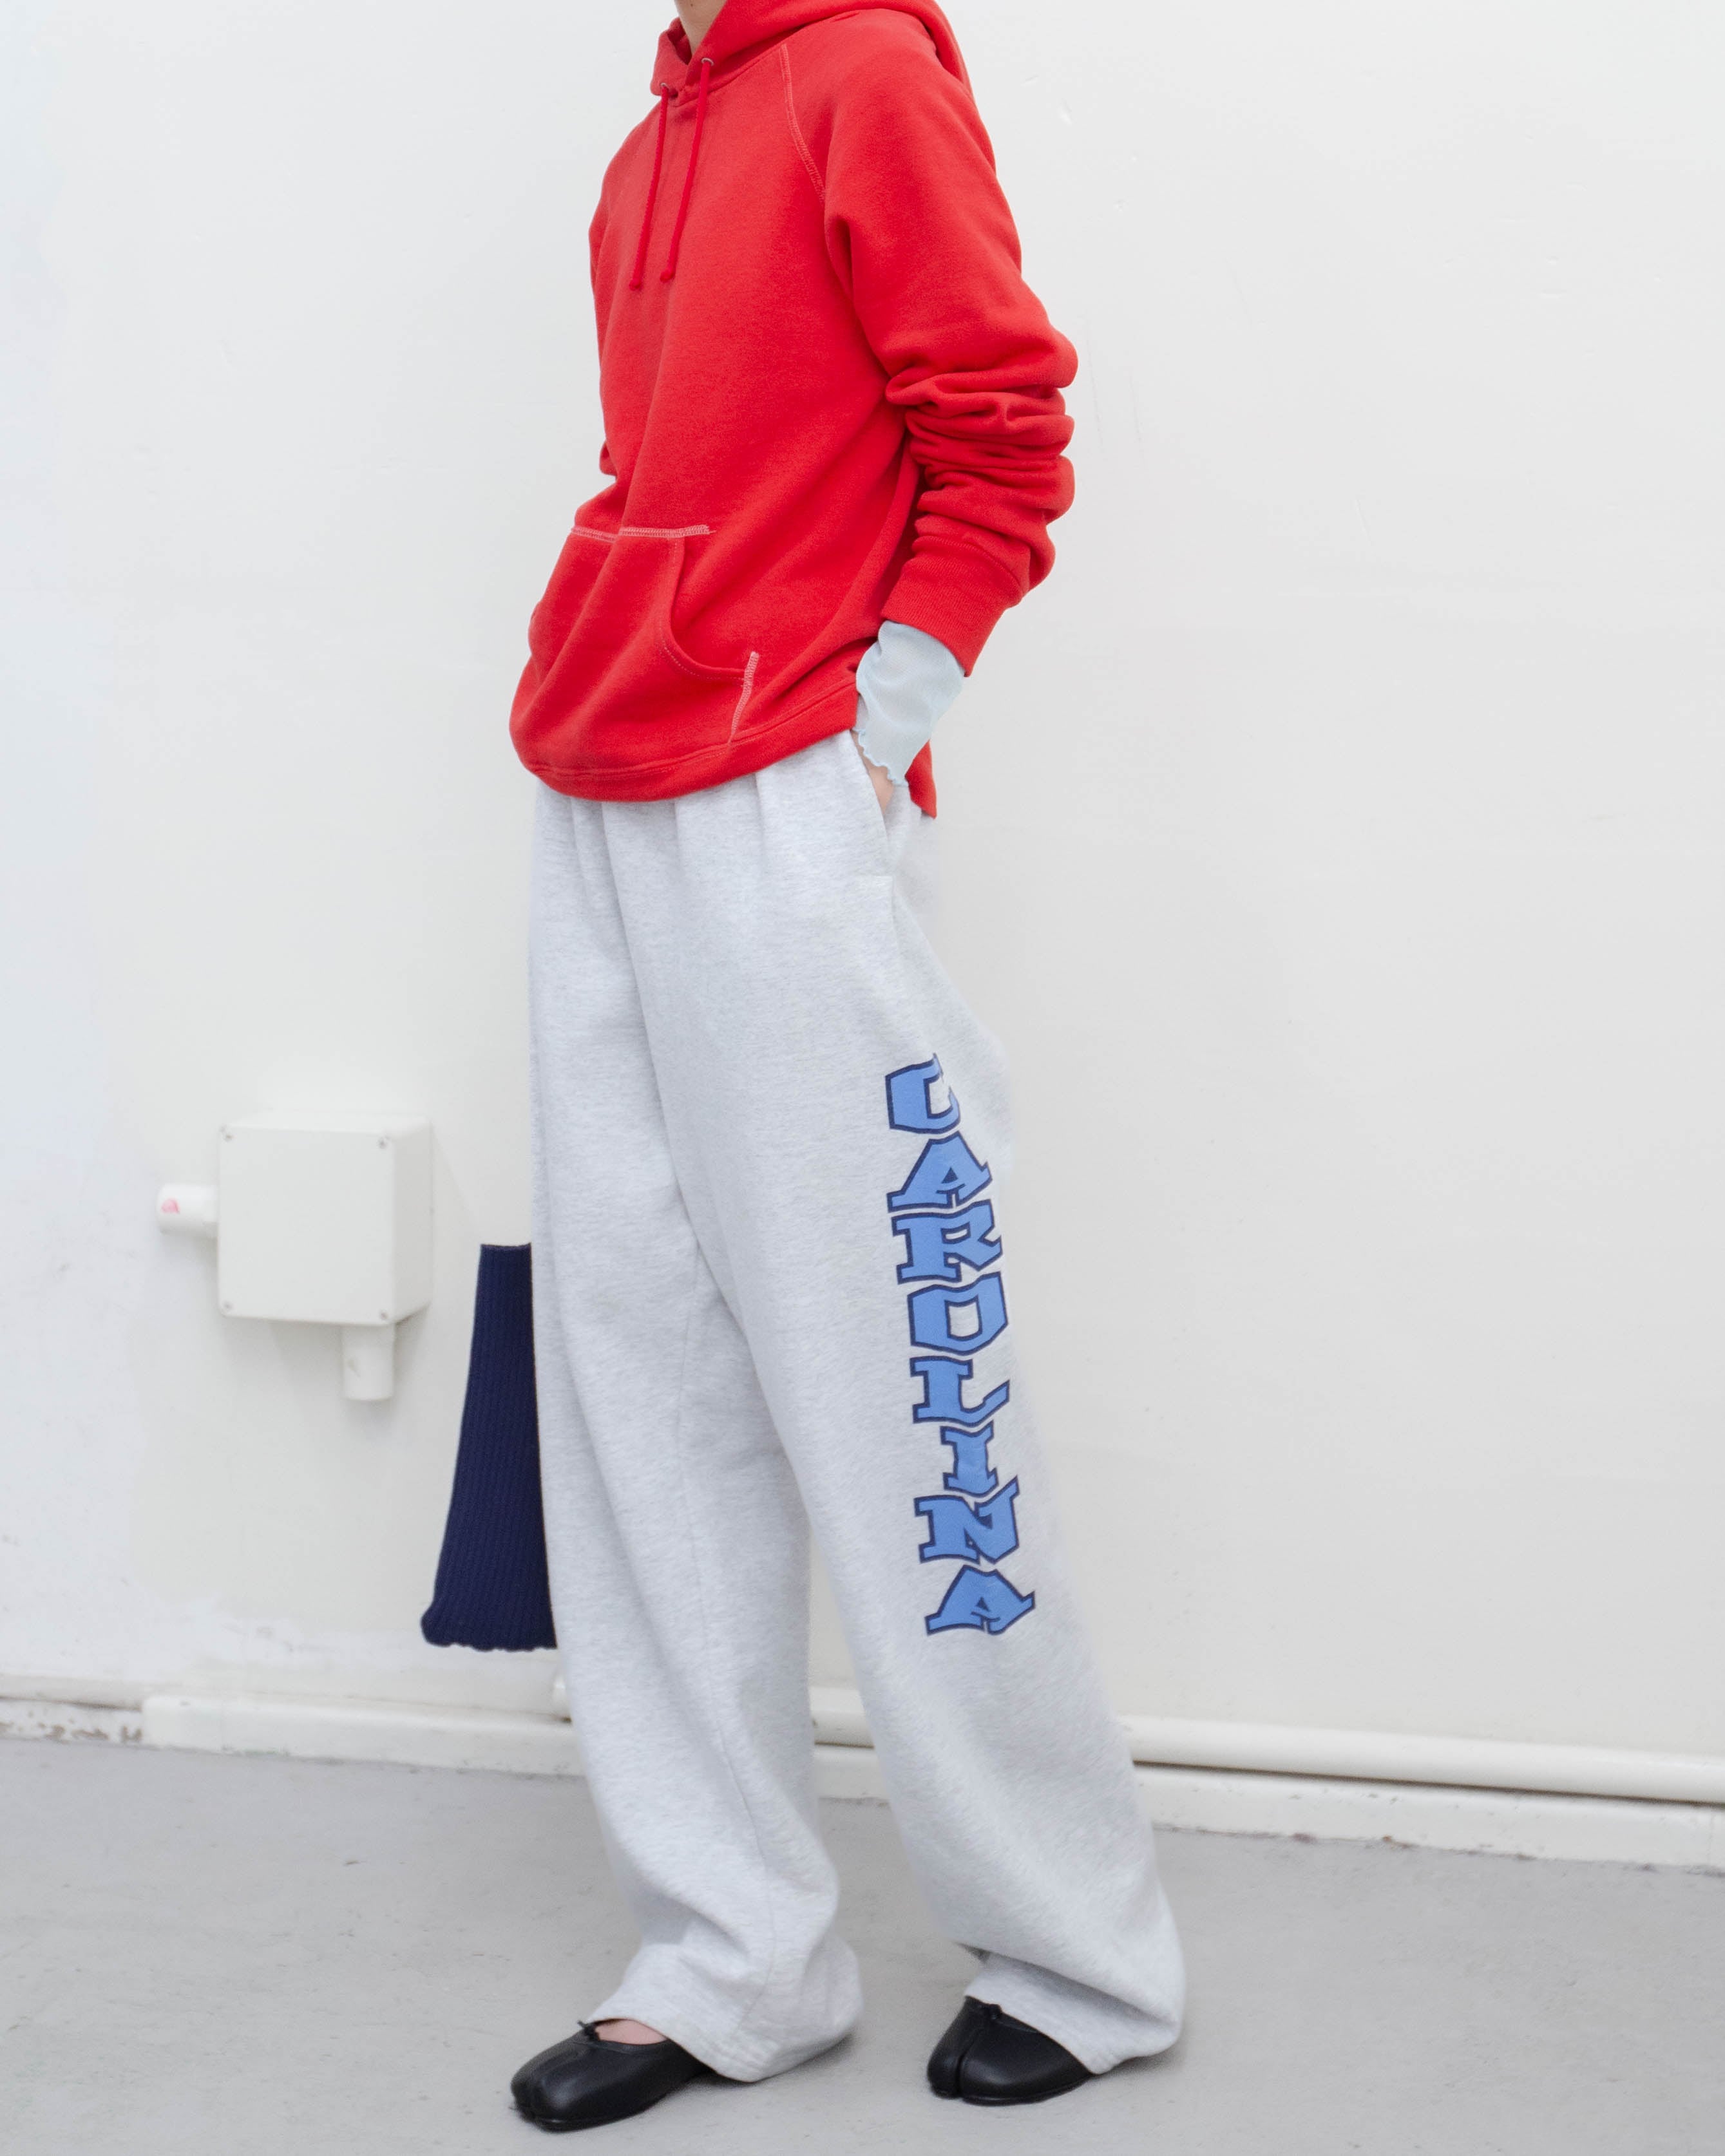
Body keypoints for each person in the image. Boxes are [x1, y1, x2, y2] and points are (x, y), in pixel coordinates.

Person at [508, 0, 1185, 2128]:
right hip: (599, 792)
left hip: (785, 797)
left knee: (909, 1371)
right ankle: (733, 1952)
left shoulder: (866, 72)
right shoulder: (648, 149)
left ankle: (1078, 1948)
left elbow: (1004, 428)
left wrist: (870, 725)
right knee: (640, 1384)